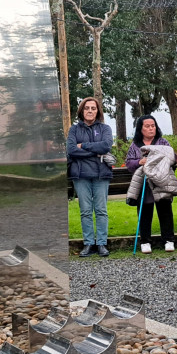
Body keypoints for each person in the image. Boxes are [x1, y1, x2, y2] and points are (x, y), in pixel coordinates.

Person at [68, 97, 113, 257]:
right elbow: (72, 150)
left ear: (98, 111)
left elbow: (106, 146)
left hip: (101, 174)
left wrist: (84, 146)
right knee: (85, 211)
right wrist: (95, 151)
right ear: (81, 110)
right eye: (87, 108)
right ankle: (88, 243)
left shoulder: (105, 128)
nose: (90, 111)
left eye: (93, 108)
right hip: (80, 175)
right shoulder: (73, 130)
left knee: (101, 210)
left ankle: (101, 243)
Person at [125, 115, 175, 254]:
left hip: (161, 181)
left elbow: (172, 158)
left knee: (165, 210)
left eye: (153, 125)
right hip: (144, 183)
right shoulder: (135, 145)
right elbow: (129, 163)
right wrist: (139, 162)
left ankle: (169, 240)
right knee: (145, 212)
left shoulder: (162, 142)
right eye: (147, 126)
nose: (151, 128)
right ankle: (145, 241)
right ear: (140, 129)